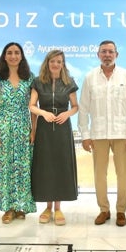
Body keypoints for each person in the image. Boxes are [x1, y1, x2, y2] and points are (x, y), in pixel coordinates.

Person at [78, 40, 126, 227]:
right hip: (98, 134)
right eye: (103, 51)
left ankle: (121, 211)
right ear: (98, 54)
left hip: (122, 133)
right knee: (99, 174)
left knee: (123, 174)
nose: (107, 55)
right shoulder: (90, 78)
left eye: (110, 52)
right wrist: (85, 135)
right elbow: (83, 109)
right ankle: (103, 210)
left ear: (116, 55)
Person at [0, 42, 36, 223]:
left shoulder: (30, 78)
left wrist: (34, 131)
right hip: (3, 127)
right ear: (4, 56)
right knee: (4, 167)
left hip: (23, 126)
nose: (13, 56)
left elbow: (33, 107)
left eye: (16, 53)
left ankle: (21, 205)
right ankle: (8, 207)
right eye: (9, 53)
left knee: (22, 167)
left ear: (22, 56)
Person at [29, 50, 79, 226]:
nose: (56, 64)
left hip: (62, 127)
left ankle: (58, 208)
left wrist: (67, 114)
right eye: (53, 61)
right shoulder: (38, 82)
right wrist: (43, 113)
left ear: (63, 63)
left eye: (59, 61)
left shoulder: (69, 82)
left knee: (60, 165)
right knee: (46, 166)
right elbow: (32, 106)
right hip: (44, 128)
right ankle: (47, 207)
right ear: (47, 63)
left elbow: (75, 106)